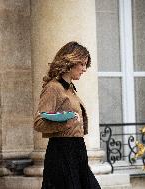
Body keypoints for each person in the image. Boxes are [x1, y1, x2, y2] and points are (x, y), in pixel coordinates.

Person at [33, 41, 101, 189]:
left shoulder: (70, 89)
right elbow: (38, 122)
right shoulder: (53, 88)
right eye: (82, 64)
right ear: (70, 62)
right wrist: (67, 123)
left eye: (85, 65)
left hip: (77, 150)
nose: (84, 69)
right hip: (62, 152)